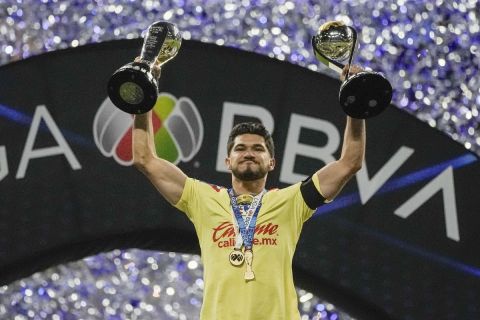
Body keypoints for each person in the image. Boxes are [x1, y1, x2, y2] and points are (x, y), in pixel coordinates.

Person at [132, 65, 366, 320]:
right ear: (228, 161)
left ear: (271, 162)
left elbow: (349, 162)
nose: (249, 153)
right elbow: (144, 159)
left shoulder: (292, 201)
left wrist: (354, 104)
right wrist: (144, 96)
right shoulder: (201, 198)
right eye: (241, 148)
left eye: (258, 148)